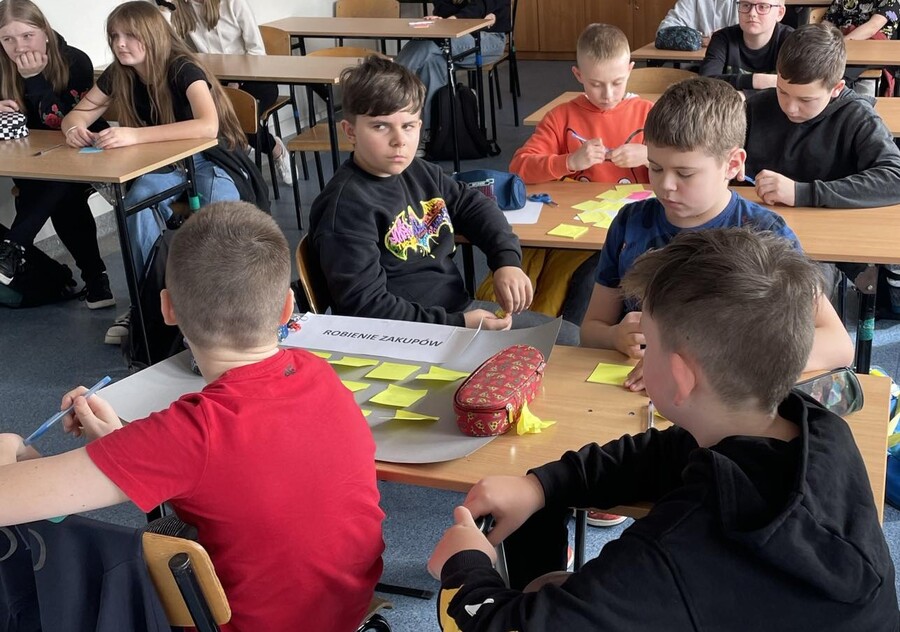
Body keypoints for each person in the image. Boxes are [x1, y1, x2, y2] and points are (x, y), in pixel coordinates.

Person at [427, 227, 899, 630]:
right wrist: (541, 485)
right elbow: (665, 452)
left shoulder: (677, 550)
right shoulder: (812, 426)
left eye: (648, 345)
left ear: (679, 376)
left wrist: (463, 567)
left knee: (543, 590)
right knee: (553, 586)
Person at [0, 201, 385, 632]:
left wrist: (12, 446)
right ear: (286, 308)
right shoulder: (317, 372)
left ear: (167, 309)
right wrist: (119, 440)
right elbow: (231, 465)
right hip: (347, 610)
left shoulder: (190, 435)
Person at [580, 77, 854, 385]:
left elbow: (837, 345)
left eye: (685, 173)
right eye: (655, 167)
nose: (665, 185)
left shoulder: (766, 233)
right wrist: (614, 336)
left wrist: (706, 364)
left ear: (732, 164)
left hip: (727, 397)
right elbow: (591, 329)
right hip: (639, 394)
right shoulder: (629, 223)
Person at [308, 55, 579, 344]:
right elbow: (366, 308)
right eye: (381, 126)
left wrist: (506, 261)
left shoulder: (418, 170)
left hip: (454, 316)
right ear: (350, 131)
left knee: (572, 338)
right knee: (568, 346)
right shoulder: (346, 207)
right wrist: (458, 324)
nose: (399, 140)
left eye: (408, 126)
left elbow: (473, 205)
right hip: (407, 339)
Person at [61, 1, 245, 345]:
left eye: (130, 36)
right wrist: (73, 128)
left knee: (220, 208)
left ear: (153, 36)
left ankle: (222, 308)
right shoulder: (120, 73)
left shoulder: (183, 67)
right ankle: (150, 303)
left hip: (209, 159)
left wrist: (136, 135)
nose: (120, 44)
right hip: (162, 165)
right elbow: (76, 115)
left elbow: (208, 126)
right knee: (137, 203)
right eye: (114, 36)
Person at [495, 23, 651, 331]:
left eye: (617, 83)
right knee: (566, 283)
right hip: (576, 234)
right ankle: (560, 340)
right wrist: (568, 161)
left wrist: (649, 156)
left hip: (632, 232)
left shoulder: (648, 114)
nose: (607, 94)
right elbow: (519, 168)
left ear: (630, 70)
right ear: (578, 75)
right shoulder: (561, 116)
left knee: (600, 282)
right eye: (596, 84)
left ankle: (582, 340)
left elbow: (685, 165)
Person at [0, 0, 113, 308]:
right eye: (7, 39)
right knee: (54, 187)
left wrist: (34, 79)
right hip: (31, 160)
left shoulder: (74, 61)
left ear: (45, 32)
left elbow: (61, 123)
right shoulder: (1, 64)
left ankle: (13, 247)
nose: (18, 47)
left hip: (83, 149)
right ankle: (96, 280)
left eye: (27, 36)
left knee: (60, 185)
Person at [744, 23, 900, 208]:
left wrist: (803, 193)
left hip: (830, 222)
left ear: (836, 88)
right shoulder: (756, 106)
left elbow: (895, 178)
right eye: (782, 91)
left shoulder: (857, 117)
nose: (790, 108)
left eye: (806, 99)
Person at [160, 0, 292, 184]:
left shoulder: (233, 3)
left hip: (255, 77)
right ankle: (238, 156)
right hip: (216, 83)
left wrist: (236, 81)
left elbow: (257, 50)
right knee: (200, 115)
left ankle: (275, 150)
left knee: (237, 117)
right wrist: (166, 8)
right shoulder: (182, 9)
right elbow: (165, 46)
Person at [395, 0, 509, 155]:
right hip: (450, 34)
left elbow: (481, 6)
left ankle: (390, 83)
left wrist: (454, 20)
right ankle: (431, 135)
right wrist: (447, 20)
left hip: (489, 39)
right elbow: (442, 7)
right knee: (433, 62)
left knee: (432, 43)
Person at [699, 0, 793, 95]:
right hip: (731, 105)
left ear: (779, 13)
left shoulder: (792, 41)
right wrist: (756, 80)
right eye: (746, 5)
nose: (752, 13)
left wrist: (743, 95)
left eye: (762, 7)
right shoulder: (722, 38)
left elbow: (794, 91)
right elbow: (704, 83)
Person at [657, 0, 740, 47]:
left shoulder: (745, 2)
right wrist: (700, 40)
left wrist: (723, 39)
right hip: (694, 66)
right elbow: (664, 32)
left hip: (735, 65)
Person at [824, 0, 900, 41]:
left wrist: (839, 44)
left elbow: (872, 27)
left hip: (875, 52)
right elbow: (826, 24)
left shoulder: (891, 2)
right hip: (838, 49)